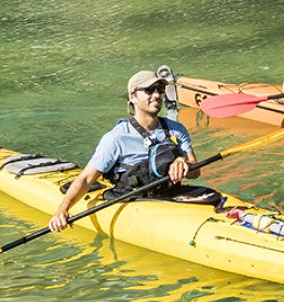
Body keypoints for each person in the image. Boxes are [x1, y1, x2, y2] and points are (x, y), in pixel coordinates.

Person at [49, 70, 202, 233]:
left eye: (160, 89)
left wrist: (182, 161)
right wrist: (62, 210)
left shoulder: (176, 129)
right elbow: (86, 179)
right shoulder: (116, 138)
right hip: (133, 203)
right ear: (132, 97)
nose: (157, 95)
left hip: (169, 195)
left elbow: (195, 172)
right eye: (149, 90)